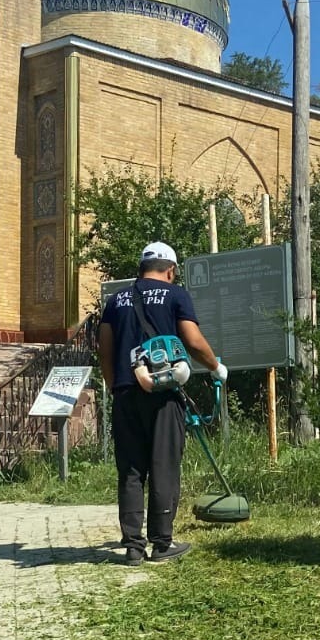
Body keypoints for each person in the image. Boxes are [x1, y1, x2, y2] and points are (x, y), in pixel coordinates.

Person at [98, 242, 226, 566]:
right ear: (170, 269)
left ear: (142, 269)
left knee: (130, 469)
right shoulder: (175, 294)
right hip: (163, 395)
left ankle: (132, 547)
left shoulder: (116, 301)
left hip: (126, 392)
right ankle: (161, 543)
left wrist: (116, 385)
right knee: (163, 465)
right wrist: (215, 367)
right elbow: (193, 340)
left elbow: (104, 348)